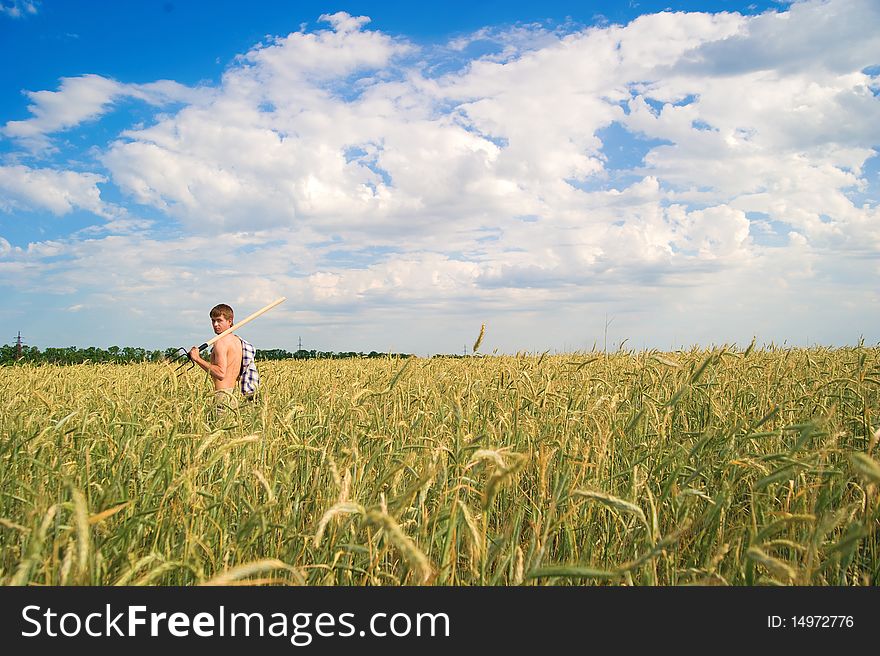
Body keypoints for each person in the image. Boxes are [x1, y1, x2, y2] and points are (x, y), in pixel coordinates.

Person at [189, 303, 258, 411]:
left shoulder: (220, 342)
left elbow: (220, 373)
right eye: (213, 321)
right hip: (234, 396)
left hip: (222, 397)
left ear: (229, 321)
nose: (215, 324)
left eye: (219, 320)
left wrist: (197, 358)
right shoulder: (237, 341)